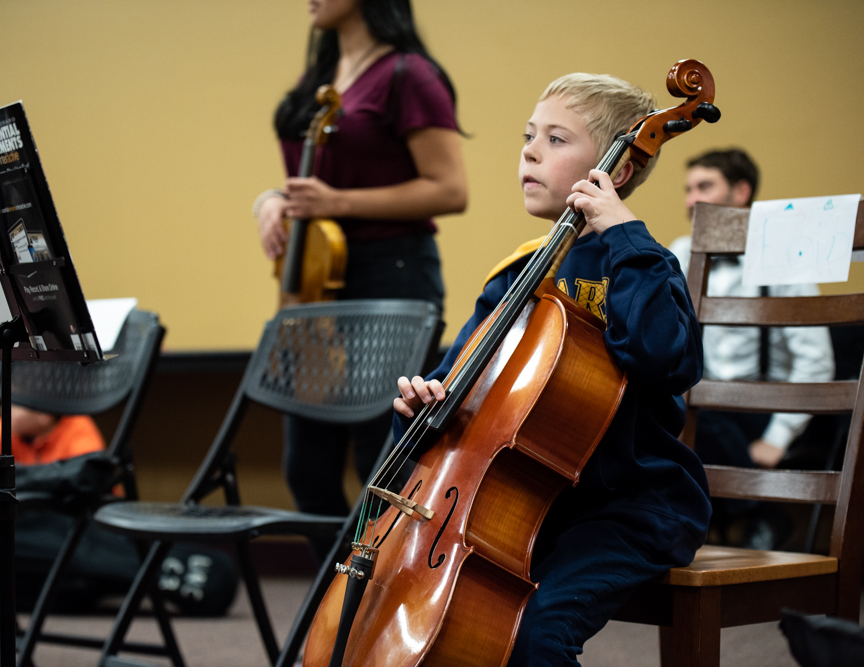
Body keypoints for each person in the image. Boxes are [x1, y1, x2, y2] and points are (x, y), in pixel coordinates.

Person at [393, 73, 710, 666]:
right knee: (442, 615)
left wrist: (624, 233)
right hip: (527, 506)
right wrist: (422, 405)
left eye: (557, 139)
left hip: (631, 507)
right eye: (528, 136)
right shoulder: (516, 275)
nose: (530, 151)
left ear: (614, 172)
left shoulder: (641, 262)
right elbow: (460, 387)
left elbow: (668, 360)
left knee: (535, 632)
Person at [253, 0, 467, 527]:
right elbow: (315, 179)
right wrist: (270, 200)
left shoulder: (408, 75)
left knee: (382, 458)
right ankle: (341, 601)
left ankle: (376, 595)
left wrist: (339, 203)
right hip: (316, 286)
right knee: (307, 469)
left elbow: (451, 190)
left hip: (389, 275)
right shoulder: (323, 76)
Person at [669, 149, 834, 547]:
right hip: (704, 405)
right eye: (688, 189)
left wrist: (777, 437)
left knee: (694, 411)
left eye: (704, 186)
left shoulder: (783, 254)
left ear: (741, 191)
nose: (691, 200)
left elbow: (816, 361)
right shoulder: (680, 251)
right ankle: (760, 514)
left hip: (759, 409)